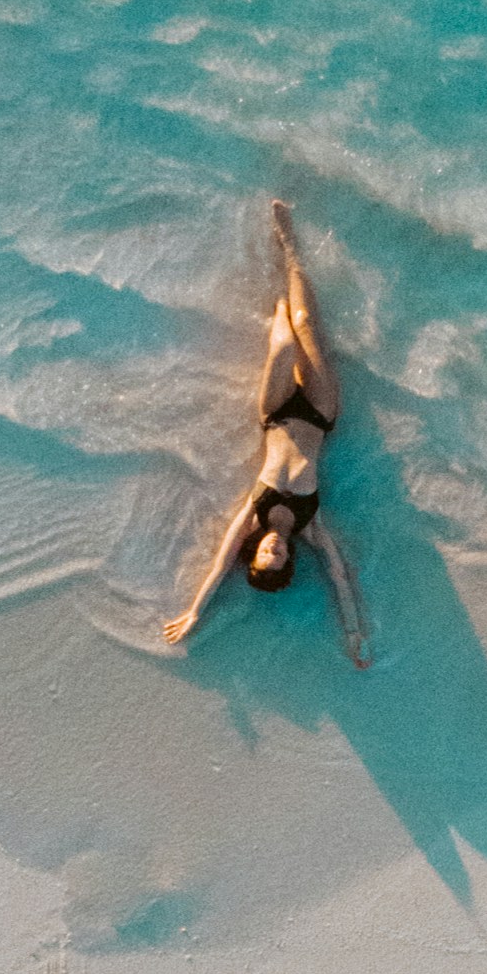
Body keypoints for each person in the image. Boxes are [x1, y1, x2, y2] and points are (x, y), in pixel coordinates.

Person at [163, 200, 371, 666]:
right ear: (287, 557)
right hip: (319, 412)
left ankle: (276, 285)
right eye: (278, 557)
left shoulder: (252, 517)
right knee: (303, 324)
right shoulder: (311, 526)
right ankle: (290, 248)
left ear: (254, 552)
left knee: (280, 346)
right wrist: (355, 633)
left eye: (263, 556)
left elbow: (219, 565)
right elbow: (340, 577)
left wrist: (195, 611)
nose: (273, 548)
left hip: (275, 414)